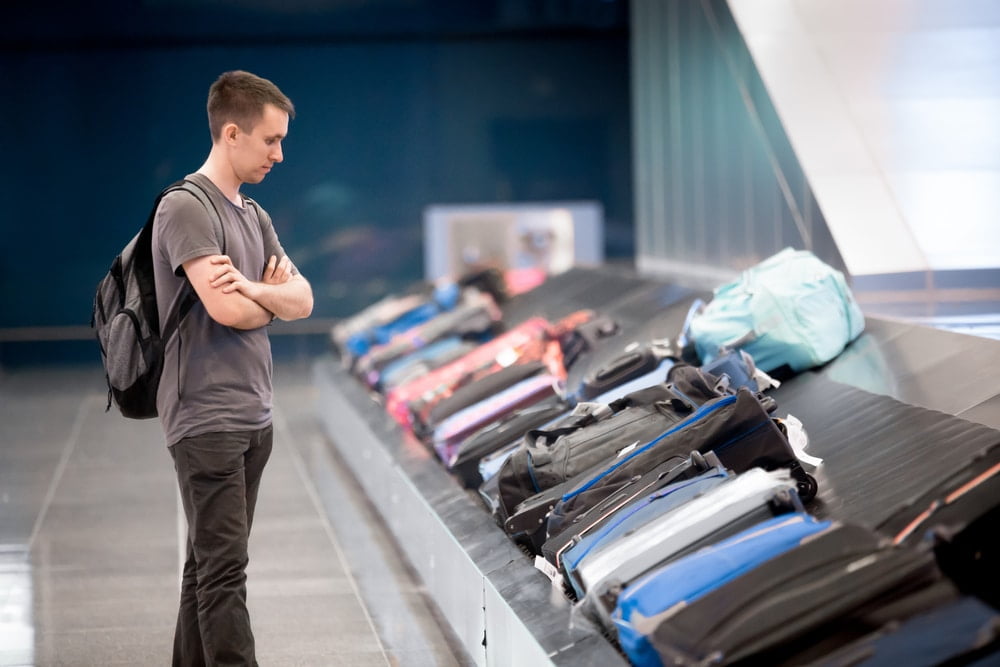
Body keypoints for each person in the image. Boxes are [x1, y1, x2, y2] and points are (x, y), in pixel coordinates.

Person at [151, 70, 313, 666]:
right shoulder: (186, 209)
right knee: (225, 573)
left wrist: (253, 290)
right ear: (231, 133)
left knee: (205, 566)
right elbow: (224, 309)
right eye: (270, 140)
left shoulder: (253, 213)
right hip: (207, 416)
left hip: (253, 413)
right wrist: (263, 296)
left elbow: (305, 301)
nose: (279, 153)